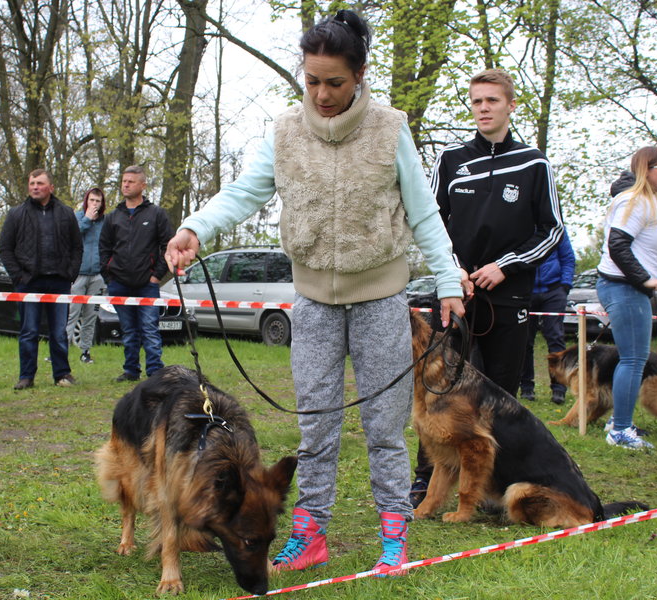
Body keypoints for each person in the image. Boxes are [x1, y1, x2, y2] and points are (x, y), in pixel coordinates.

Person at [164, 10, 465, 575]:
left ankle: (394, 536)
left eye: (335, 82)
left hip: (380, 299)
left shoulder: (390, 128)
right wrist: (193, 228)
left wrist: (448, 281)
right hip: (313, 304)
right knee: (316, 425)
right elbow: (245, 191)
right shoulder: (283, 132)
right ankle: (310, 533)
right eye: (311, 81)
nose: (322, 94)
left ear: (359, 76)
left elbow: (426, 215)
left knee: (384, 428)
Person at [411, 68, 564, 507]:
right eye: (477, 101)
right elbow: (430, 221)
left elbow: (551, 231)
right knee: (436, 392)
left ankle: (492, 488)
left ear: (511, 105)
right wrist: (452, 270)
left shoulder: (534, 163)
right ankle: (425, 482)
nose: (483, 108)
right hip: (455, 294)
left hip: (509, 295)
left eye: (492, 101)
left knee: (498, 397)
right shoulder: (451, 160)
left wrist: (506, 265)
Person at [596, 146, 657, 450]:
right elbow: (618, 245)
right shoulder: (635, 201)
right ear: (647, 169)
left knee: (633, 358)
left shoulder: (646, 201)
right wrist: (644, 278)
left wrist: (653, 277)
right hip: (624, 287)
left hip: (631, 288)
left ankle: (619, 421)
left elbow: (638, 248)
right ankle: (620, 430)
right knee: (633, 358)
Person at [0, 169, 82, 390]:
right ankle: (26, 376)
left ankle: (62, 374)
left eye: (40, 183)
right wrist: (18, 277)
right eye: (32, 183)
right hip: (29, 282)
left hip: (59, 282)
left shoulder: (66, 213)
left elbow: (77, 247)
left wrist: (70, 273)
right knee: (29, 331)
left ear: (51, 187)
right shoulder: (16, 214)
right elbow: (5, 249)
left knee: (58, 332)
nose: (35, 186)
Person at [99, 166, 174, 382]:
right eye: (124, 181)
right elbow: (104, 249)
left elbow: (166, 246)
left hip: (147, 284)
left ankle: (155, 373)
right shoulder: (113, 217)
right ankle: (131, 371)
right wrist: (109, 277)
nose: (126, 185)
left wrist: (156, 276)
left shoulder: (156, 214)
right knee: (129, 331)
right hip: (119, 284)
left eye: (131, 181)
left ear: (142, 185)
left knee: (149, 329)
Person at [519, 232, 575, 404]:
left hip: (553, 290)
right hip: (526, 291)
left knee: (555, 338)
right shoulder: (521, 225)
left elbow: (568, 258)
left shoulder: (556, 229)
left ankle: (559, 388)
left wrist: (564, 285)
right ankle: (526, 387)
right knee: (524, 340)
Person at [65, 187, 107, 364]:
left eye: (98, 201)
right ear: (86, 201)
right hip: (78, 274)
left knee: (91, 316)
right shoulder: (77, 217)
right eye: (92, 200)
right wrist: (87, 219)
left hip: (98, 276)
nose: (94, 204)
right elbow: (71, 236)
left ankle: (85, 351)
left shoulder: (106, 222)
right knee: (71, 314)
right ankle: (61, 350)